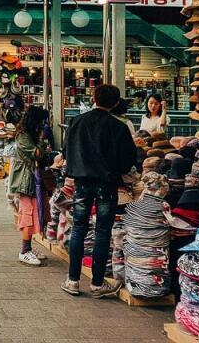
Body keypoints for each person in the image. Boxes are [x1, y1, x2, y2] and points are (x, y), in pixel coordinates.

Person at [61, 84, 136, 298]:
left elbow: (67, 150)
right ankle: (96, 283)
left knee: (79, 228)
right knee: (103, 232)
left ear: (94, 97)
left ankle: (73, 280)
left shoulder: (76, 122)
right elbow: (128, 159)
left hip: (82, 183)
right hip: (107, 183)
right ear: (115, 103)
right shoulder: (119, 127)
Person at [9, 106, 50, 266]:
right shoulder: (24, 135)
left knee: (35, 213)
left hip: (32, 179)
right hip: (26, 180)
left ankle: (29, 248)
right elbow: (36, 154)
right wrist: (41, 139)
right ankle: (24, 251)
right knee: (28, 214)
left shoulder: (28, 134)